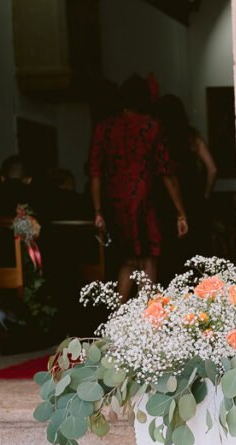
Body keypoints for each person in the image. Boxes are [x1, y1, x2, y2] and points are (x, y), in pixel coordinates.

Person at [88, 75, 188, 299]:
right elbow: (167, 173)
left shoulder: (104, 127)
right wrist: (181, 212)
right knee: (148, 259)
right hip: (145, 200)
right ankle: (147, 314)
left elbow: (95, 172)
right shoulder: (152, 125)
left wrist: (98, 211)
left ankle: (118, 314)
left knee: (128, 261)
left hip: (115, 203)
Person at [154, 94, 217, 281]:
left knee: (171, 257)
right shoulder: (192, 137)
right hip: (194, 199)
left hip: (166, 201)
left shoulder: (159, 140)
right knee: (197, 255)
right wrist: (205, 194)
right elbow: (212, 169)